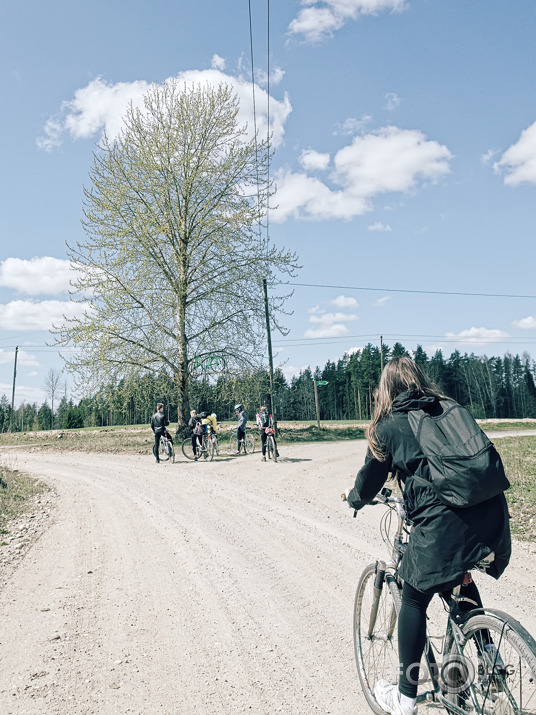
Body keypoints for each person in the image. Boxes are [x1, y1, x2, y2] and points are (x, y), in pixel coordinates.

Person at [344, 357, 511, 715]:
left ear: (386, 390)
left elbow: (369, 482)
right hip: (491, 512)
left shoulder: (388, 427)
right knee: (460, 578)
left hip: (443, 523)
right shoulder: (449, 408)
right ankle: (490, 658)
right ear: (419, 380)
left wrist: (354, 498)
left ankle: (405, 699)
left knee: (415, 597)